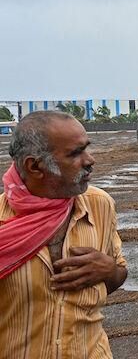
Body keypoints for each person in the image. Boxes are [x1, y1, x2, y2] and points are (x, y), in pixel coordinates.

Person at [0, 111, 127, 358]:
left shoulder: (100, 205)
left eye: (86, 149)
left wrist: (109, 270)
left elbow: (118, 273)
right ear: (35, 166)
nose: (90, 160)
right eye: (75, 153)